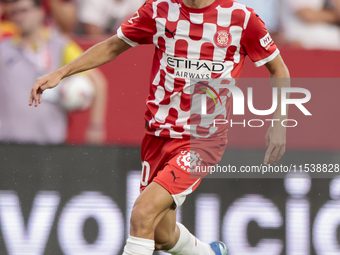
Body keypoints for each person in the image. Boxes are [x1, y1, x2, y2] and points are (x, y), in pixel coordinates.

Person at [29, 0, 290, 254]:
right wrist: (61, 73)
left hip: (202, 140)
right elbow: (112, 47)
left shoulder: (241, 18)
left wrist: (279, 122)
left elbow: (278, 70)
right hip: (158, 134)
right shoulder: (160, 9)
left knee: (142, 212)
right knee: (160, 236)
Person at [1, 0, 107, 145]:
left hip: (50, 143)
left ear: (40, 12)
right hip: (9, 142)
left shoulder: (61, 45)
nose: (19, 17)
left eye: (24, 11)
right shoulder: (3, 49)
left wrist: (96, 127)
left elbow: (98, 83)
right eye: (14, 13)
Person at [78, 0, 144, 37]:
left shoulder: (137, 2)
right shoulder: (94, 2)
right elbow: (94, 35)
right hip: (93, 48)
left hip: (124, 44)